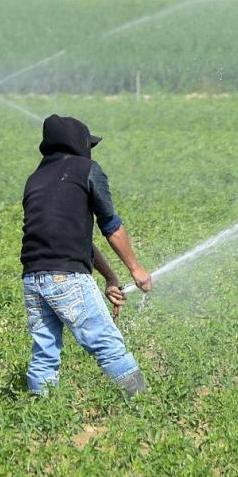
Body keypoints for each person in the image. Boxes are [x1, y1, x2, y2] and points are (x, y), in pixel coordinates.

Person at [20, 114, 152, 398]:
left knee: (44, 352)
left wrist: (110, 277)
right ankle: (143, 408)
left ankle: (40, 418)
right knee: (107, 342)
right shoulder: (87, 169)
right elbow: (111, 226)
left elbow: (72, 239)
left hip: (32, 278)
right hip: (66, 276)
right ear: (78, 144)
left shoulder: (35, 179)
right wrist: (136, 270)